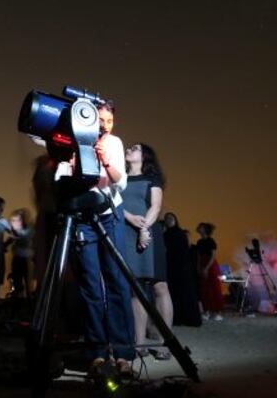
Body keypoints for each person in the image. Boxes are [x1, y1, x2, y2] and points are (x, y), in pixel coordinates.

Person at [62, 101, 135, 379]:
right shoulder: (74, 142)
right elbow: (62, 176)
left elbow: (121, 181)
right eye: (100, 119)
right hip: (83, 215)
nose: (105, 125)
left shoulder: (114, 142)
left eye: (109, 120)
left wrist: (105, 161)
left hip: (108, 213)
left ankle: (124, 353)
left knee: (116, 281)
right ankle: (96, 353)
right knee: (91, 286)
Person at [122, 143, 173, 359]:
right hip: (127, 232)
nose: (129, 149)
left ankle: (165, 342)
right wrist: (130, 218)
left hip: (149, 230)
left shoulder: (152, 178)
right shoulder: (119, 178)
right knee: (137, 289)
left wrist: (144, 229)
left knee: (160, 286)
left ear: (145, 156)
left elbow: (156, 206)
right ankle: (140, 342)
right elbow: (114, 203)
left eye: (135, 148)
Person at [163, 212, 202, 327]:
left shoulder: (178, 233)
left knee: (184, 292)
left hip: (180, 267)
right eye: (167, 219)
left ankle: (186, 319)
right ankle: (178, 318)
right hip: (175, 267)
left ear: (175, 220)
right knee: (176, 293)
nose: (169, 220)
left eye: (171, 218)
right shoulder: (168, 234)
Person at [195, 222, 224, 321]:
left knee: (214, 288)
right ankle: (207, 311)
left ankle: (217, 312)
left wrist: (206, 268)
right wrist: (198, 266)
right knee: (204, 289)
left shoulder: (211, 241)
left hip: (211, 266)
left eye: (201, 227)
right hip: (203, 264)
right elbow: (198, 256)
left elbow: (213, 256)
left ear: (205, 229)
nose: (198, 228)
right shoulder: (199, 242)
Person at [7, 208, 33, 316]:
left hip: (25, 260)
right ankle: (18, 310)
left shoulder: (29, 230)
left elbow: (18, 237)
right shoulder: (21, 230)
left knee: (27, 286)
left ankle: (28, 311)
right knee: (18, 286)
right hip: (19, 259)